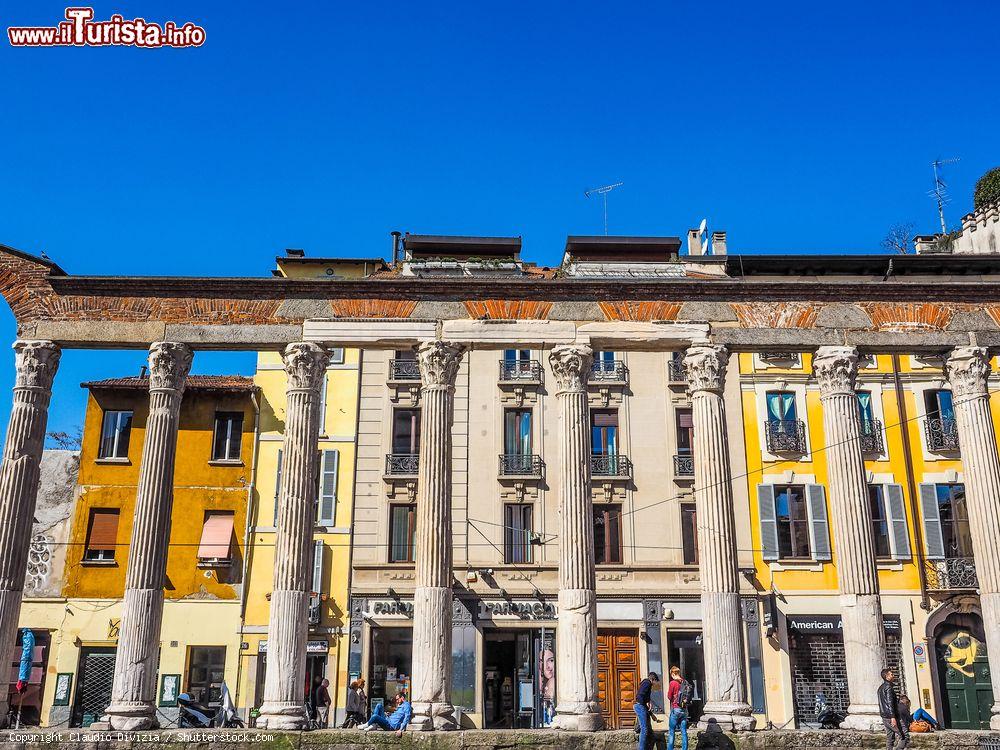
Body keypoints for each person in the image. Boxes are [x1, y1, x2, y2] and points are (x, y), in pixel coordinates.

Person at [878, 668, 908, 750]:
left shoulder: (880, 688)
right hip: (890, 717)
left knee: (890, 737)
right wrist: (893, 717)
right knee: (904, 736)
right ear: (887, 677)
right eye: (891, 674)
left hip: (884, 716)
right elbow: (890, 703)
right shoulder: (888, 688)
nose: (893, 676)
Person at [665, 666, 690, 750]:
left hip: (676, 708)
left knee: (672, 731)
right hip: (684, 709)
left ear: (672, 674)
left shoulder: (673, 683)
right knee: (683, 731)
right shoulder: (685, 682)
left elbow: (669, 696)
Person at [633, 672, 659, 750]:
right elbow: (640, 696)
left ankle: (648, 746)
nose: (655, 684)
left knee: (648, 728)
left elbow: (645, 698)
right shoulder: (647, 683)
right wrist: (643, 704)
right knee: (644, 729)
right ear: (653, 679)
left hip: (640, 706)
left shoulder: (647, 683)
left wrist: (651, 714)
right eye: (655, 681)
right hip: (640, 706)